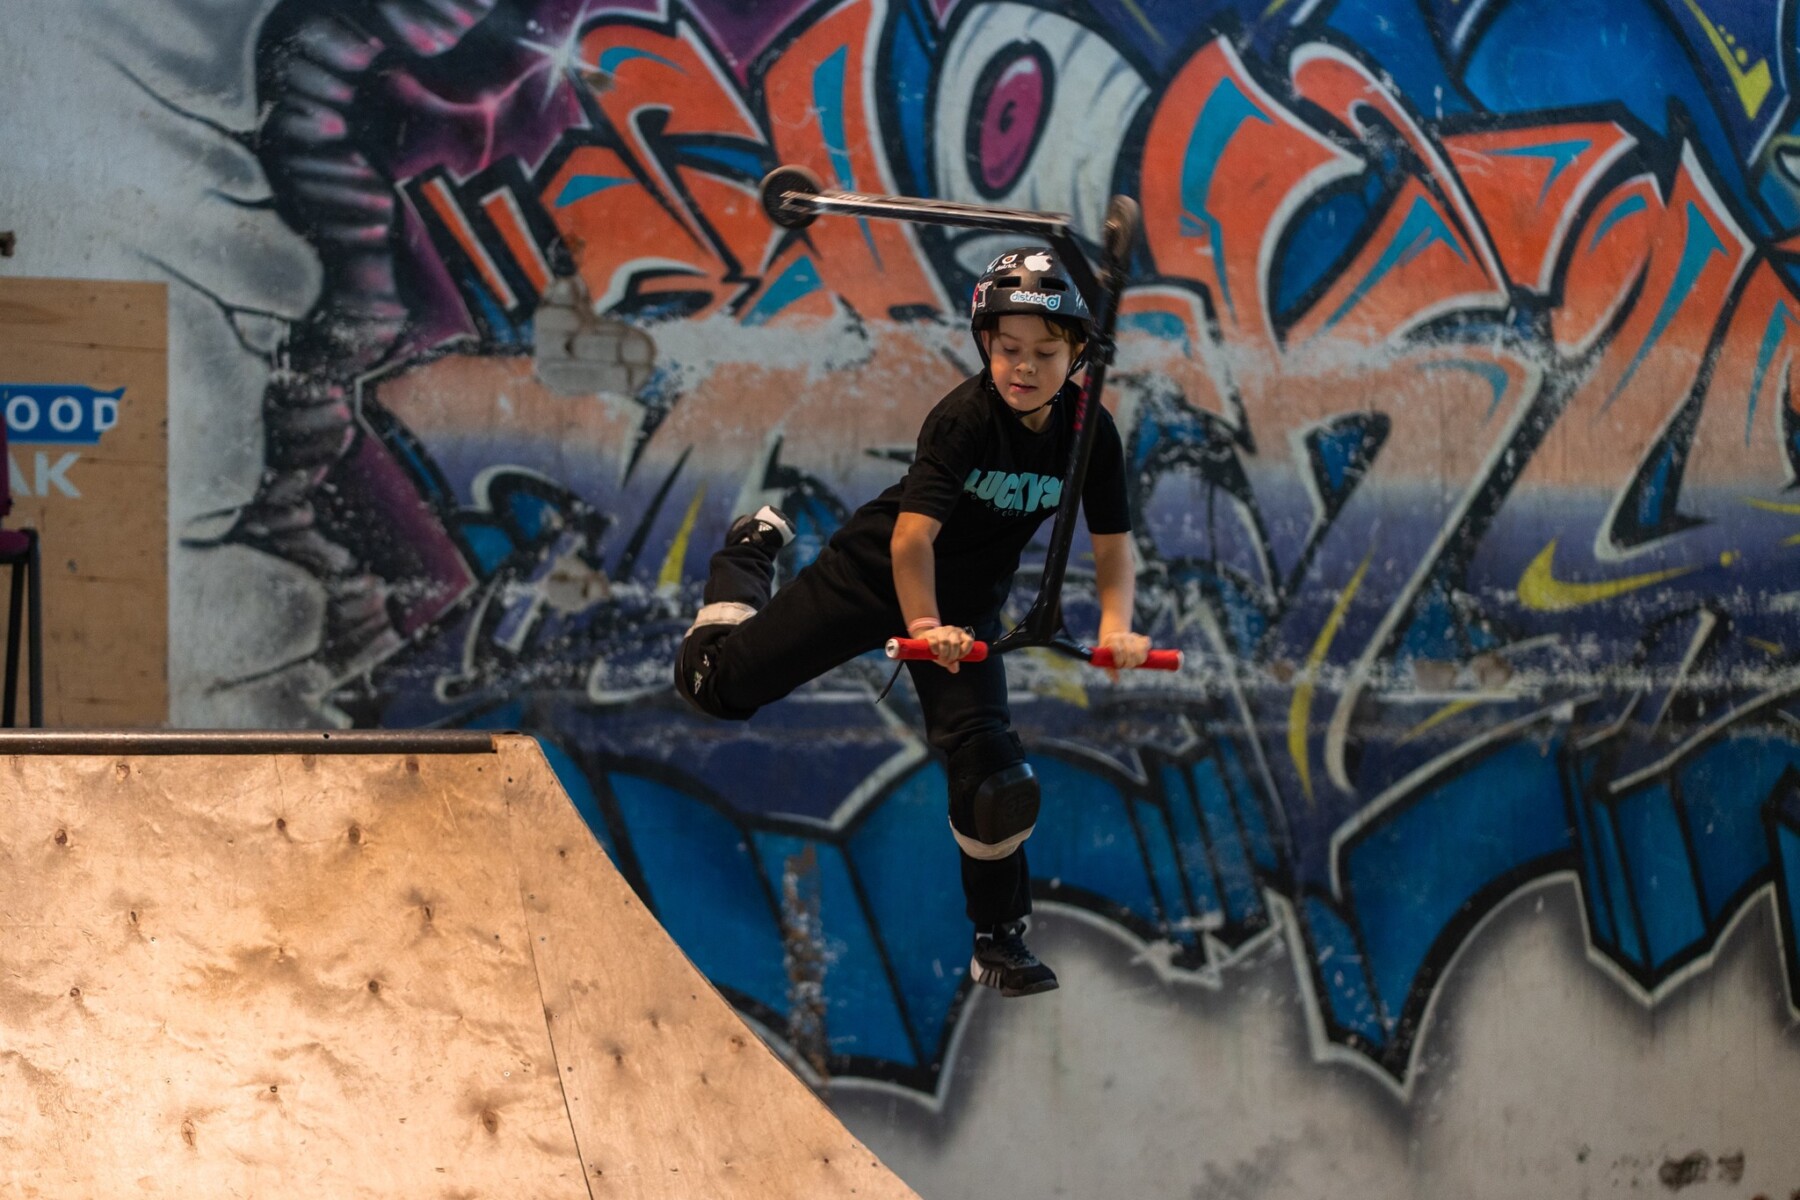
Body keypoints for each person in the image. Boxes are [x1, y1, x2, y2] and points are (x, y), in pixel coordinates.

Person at [675, 246, 1150, 997]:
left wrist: (1119, 627)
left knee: (992, 771)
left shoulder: (1091, 433)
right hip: (874, 576)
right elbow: (910, 542)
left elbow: (1114, 544)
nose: (1024, 368)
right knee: (713, 685)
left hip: (963, 609)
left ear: (1079, 355)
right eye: (1008, 349)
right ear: (986, 345)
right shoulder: (964, 418)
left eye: (1045, 353)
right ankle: (747, 553)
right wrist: (925, 626)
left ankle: (999, 939)